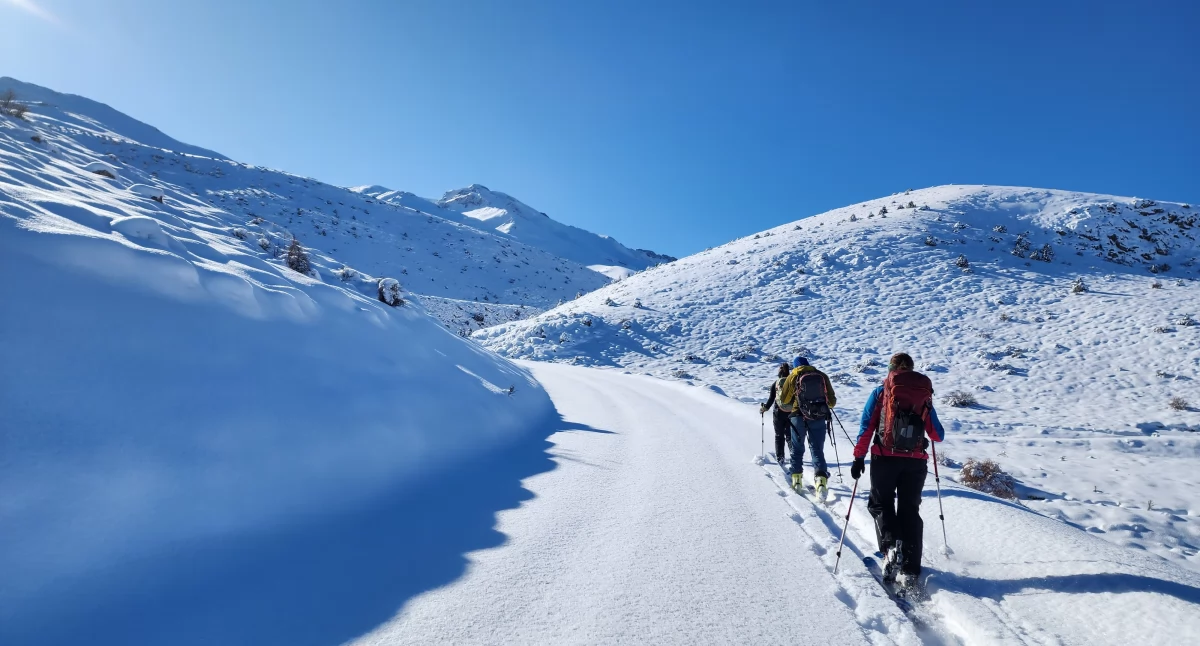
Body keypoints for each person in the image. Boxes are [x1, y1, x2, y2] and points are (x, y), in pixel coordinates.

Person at [851, 352, 945, 588]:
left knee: (880, 503)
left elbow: (867, 426)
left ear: (891, 369)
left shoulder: (881, 391)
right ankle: (911, 568)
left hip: (885, 458)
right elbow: (937, 435)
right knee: (909, 510)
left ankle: (891, 547)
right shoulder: (923, 395)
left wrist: (858, 458)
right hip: (915, 462)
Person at [779, 356, 836, 498]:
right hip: (818, 417)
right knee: (817, 449)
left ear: (795, 366)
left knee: (797, 448)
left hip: (797, 416)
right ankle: (821, 482)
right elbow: (832, 402)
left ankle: (796, 480)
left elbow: (784, 400)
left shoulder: (792, 376)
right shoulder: (821, 375)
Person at [759, 363, 794, 465]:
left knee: (779, 435)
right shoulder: (792, 382)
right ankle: (793, 454)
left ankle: (780, 457)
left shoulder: (776, 383)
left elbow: (771, 399)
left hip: (778, 412)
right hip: (791, 413)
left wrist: (764, 408)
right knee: (789, 435)